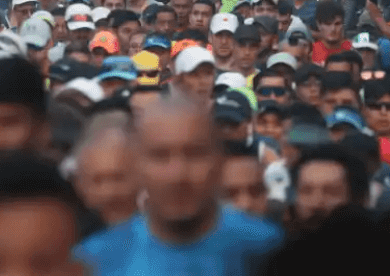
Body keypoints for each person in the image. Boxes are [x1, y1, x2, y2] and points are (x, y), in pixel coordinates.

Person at [76, 97, 282, 276]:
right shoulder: (94, 261)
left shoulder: (269, 249)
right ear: (136, 166)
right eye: (160, 156)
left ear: (219, 162)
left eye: (195, 154)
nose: (178, 174)